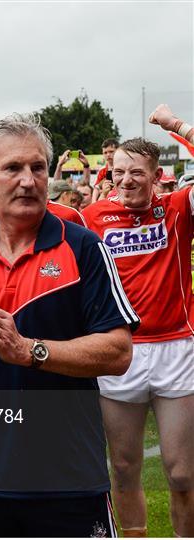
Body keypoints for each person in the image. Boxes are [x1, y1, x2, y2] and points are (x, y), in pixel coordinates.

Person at [0, 113, 139, 537]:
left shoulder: (83, 247)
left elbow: (118, 350)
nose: (28, 180)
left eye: (37, 167)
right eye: (13, 168)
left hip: (69, 480)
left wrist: (30, 350)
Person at [83, 122, 194, 537]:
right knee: (126, 468)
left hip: (176, 349)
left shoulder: (179, 208)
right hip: (119, 352)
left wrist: (178, 127)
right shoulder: (92, 217)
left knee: (182, 474)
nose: (126, 180)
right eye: (118, 172)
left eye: (137, 173)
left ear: (157, 177)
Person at [92, 138, 119, 202]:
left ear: (118, 151)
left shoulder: (125, 167)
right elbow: (96, 188)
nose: (108, 155)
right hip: (106, 199)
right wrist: (93, 203)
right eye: (105, 152)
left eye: (111, 151)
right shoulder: (102, 170)